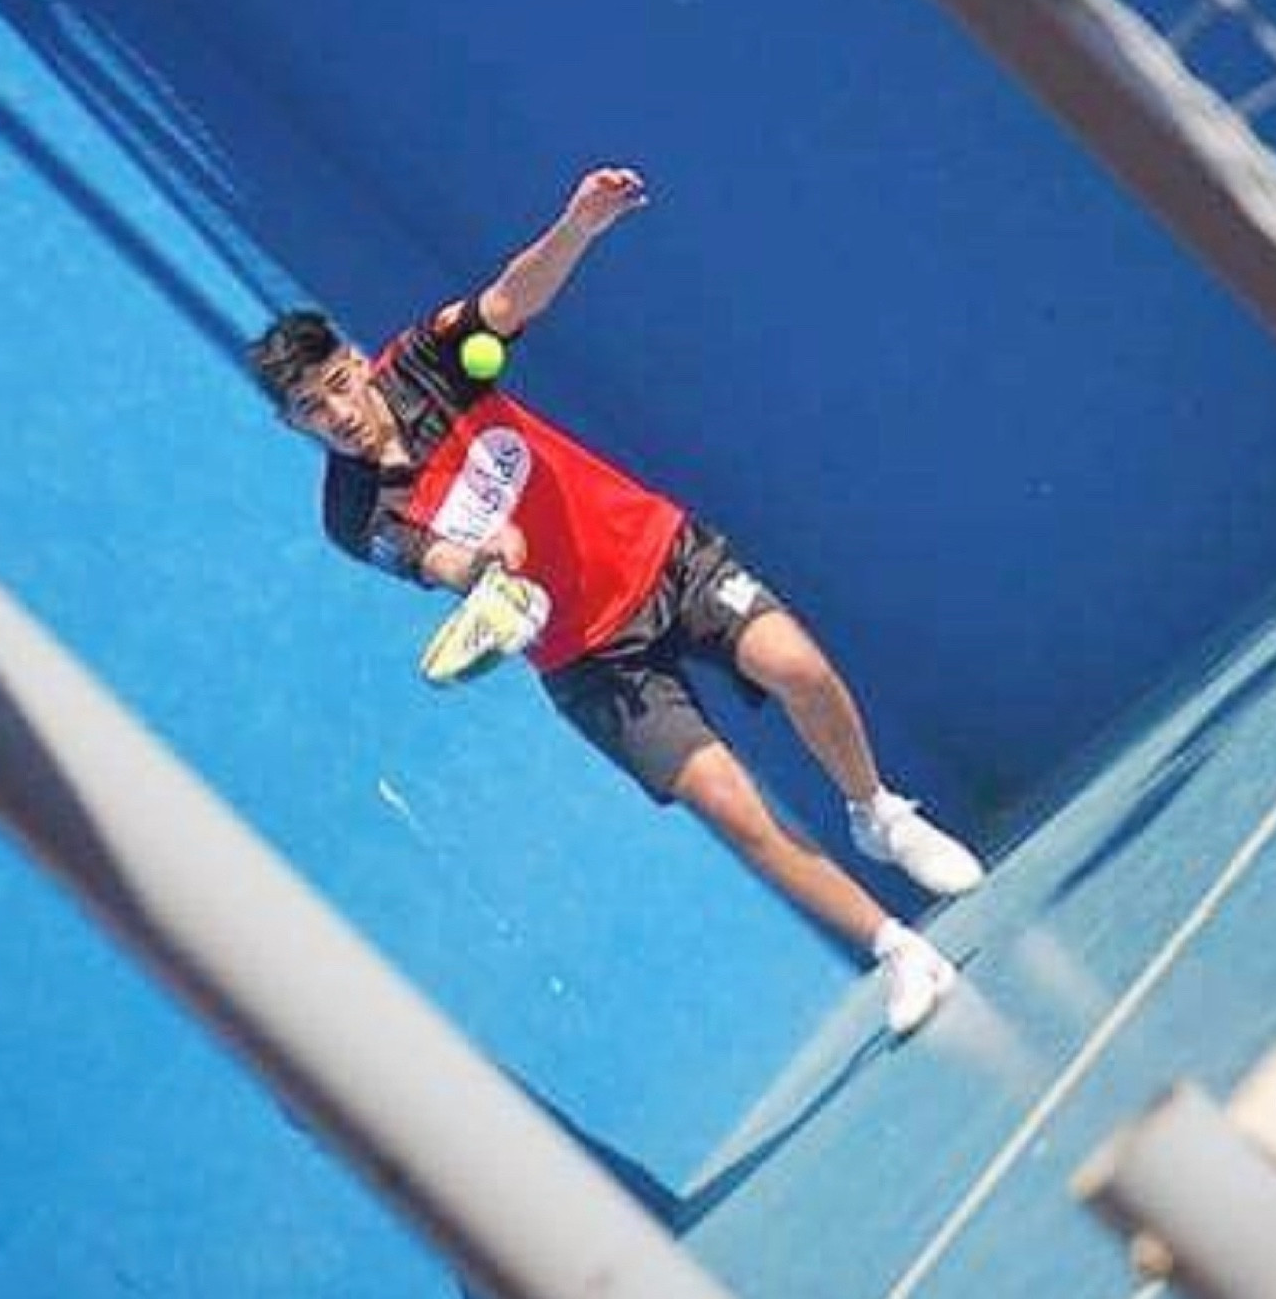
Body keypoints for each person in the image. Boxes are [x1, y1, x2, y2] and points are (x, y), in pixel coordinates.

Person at [246, 166, 984, 1035]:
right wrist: (481, 560)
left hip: (659, 553)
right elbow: (435, 559)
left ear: (353, 361)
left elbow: (507, 299)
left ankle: (877, 812)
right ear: (293, 426)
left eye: (335, 385)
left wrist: (579, 225)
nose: (335, 412)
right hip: (587, 661)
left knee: (797, 666)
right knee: (726, 803)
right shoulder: (352, 513)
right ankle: (898, 950)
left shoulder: (425, 362)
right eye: (309, 410)